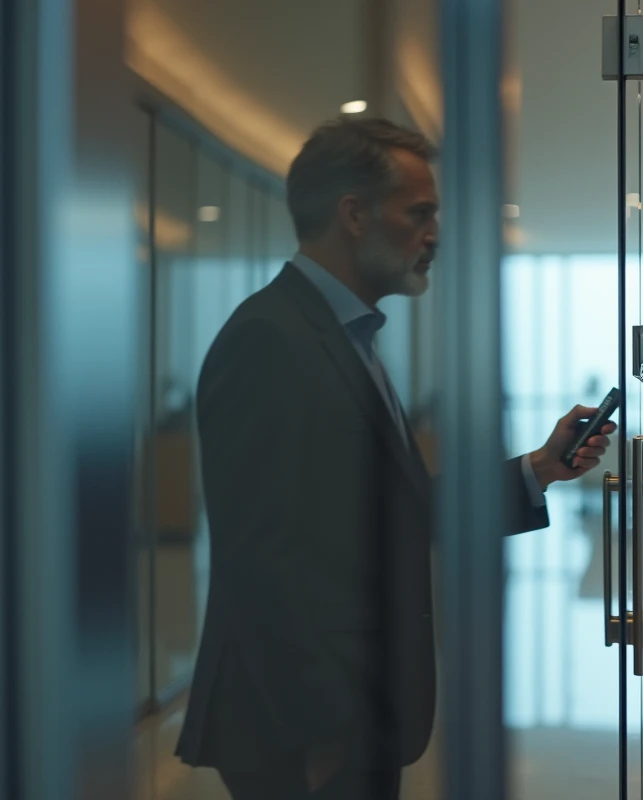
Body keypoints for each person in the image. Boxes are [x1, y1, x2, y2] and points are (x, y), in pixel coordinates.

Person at [175, 117, 616, 799]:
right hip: (304, 732)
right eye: (420, 213)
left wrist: (539, 468)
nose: (435, 233)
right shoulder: (270, 338)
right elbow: (258, 554)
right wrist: (323, 735)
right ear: (354, 215)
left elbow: (393, 512)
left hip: (351, 717)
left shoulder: (344, 338)